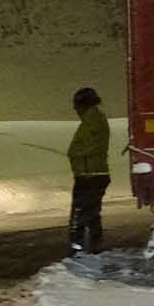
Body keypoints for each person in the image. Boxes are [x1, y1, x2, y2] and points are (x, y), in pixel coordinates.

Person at [66, 86, 110, 257]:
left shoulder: (93, 121)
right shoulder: (93, 119)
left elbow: (91, 146)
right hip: (92, 174)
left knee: (79, 214)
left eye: (76, 105)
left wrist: (76, 153)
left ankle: (77, 250)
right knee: (91, 213)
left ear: (84, 104)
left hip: (89, 175)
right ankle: (94, 248)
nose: (74, 109)